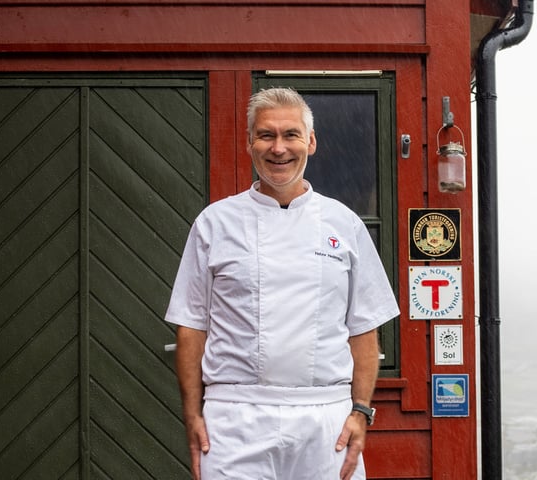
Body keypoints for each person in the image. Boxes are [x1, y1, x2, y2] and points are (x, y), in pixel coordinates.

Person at [165, 87, 400, 479]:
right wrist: (192, 415)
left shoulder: (344, 225)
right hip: (235, 419)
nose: (278, 148)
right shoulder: (214, 224)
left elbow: (363, 328)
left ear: (311, 142)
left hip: (326, 422)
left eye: (291, 134)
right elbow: (191, 326)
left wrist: (360, 410)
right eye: (266, 135)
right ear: (249, 143)